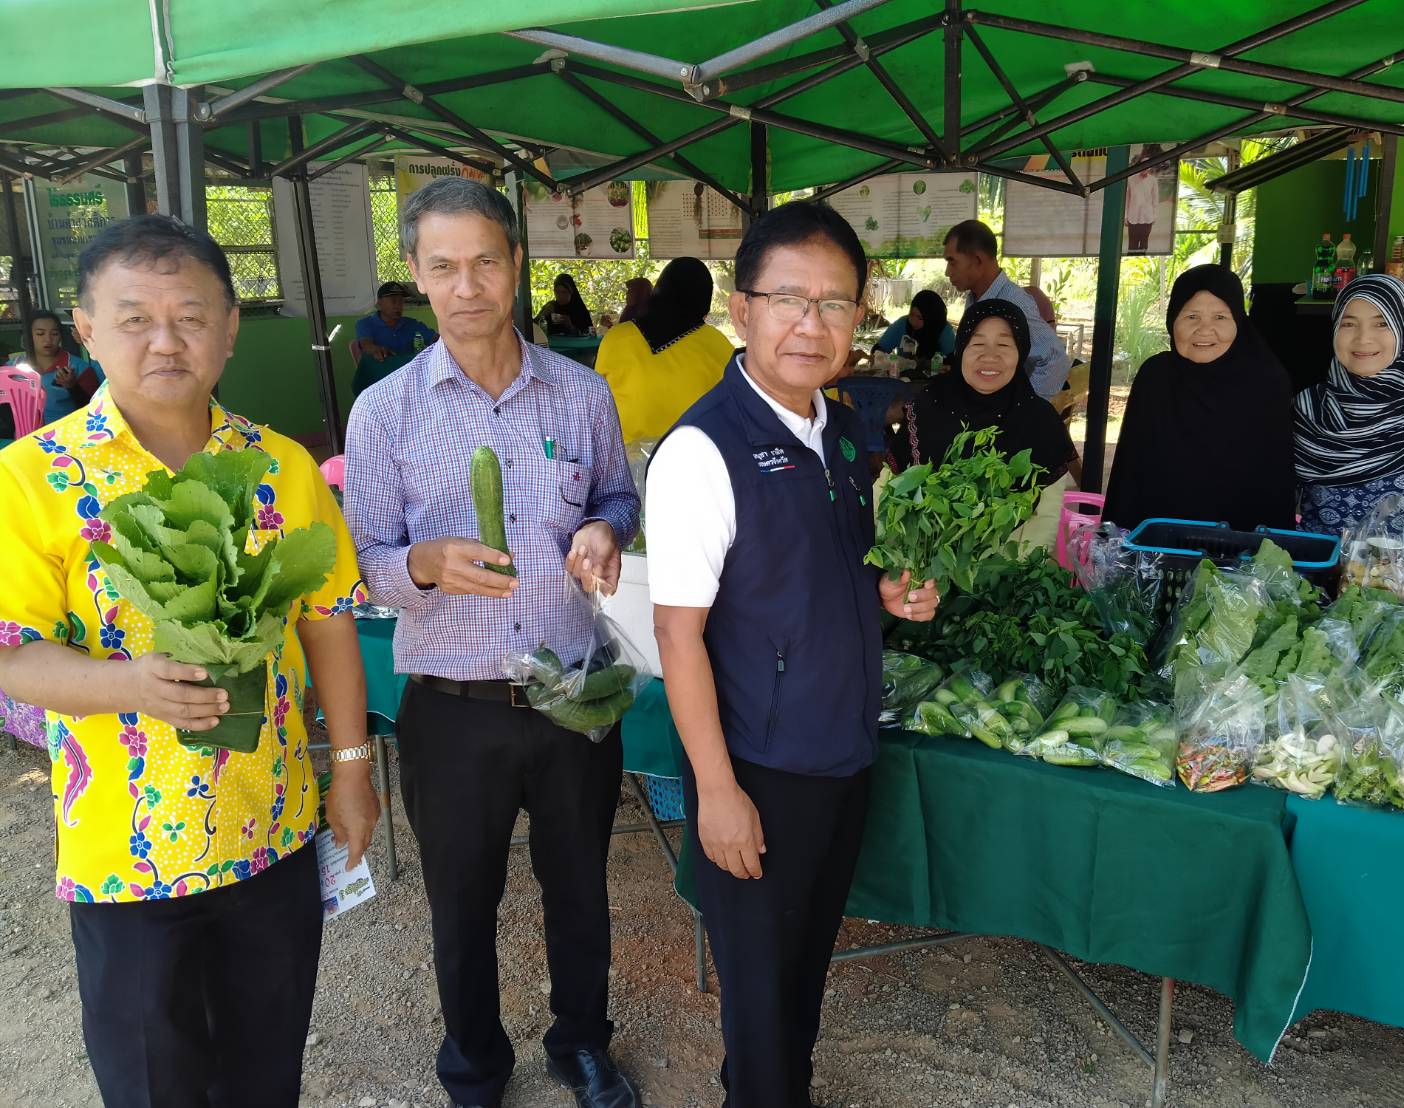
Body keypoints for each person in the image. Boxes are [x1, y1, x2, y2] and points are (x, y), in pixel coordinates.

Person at [0, 214, 379, 1108]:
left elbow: (327, 624)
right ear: (86, 329)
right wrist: (125, 686)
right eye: (134, 318)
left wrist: (353, 770)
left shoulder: (280, 467)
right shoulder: (32, 477)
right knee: (151, 1079)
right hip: (124, 854)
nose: (166, 341)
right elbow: (10, 653)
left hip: (273, 832)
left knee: (265, 1065)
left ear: (231, 326)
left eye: (192, 316)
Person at [344, 177, 642, 1108]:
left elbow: (618, 498)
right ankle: (473, 1061)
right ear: (418, 276)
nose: (466, 284)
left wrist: (605, 529)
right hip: (453, 705)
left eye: (484, 261)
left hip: (571, 693)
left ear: (515, 265)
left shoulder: (581, 394)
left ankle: (580, 1042)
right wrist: (424, 563)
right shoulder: (384, 411)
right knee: (461, 905)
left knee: (580, 891)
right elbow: (363, 565)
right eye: (444, 267)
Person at [646, 201, 940, 1108]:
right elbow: (676, 634)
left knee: (801, 970)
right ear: (741, 310)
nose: (812, 324)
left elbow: (830, 574)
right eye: (788, 300)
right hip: (759, 768)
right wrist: (719, 791)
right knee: (763, 995)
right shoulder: (703, 449)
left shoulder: (845, 431)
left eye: (837, 303)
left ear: (860, 316)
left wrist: (888, 596)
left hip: (841, 750)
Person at [1104, 264, 1295, 532]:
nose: (1205, 329)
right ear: (1173, 320)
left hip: (1242, 550)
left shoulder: (1266, 382)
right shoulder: (1156, 377)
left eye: (1220, 317)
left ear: (1238, 321)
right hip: (1158, 543)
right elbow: (1129, 476)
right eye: (1191, 316)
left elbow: (1275, 485)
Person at [1294, 273, 1404, 535]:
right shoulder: (1307, 407)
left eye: (1382, 324)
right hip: (1315, 568)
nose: (1363, 338)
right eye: (1348, 324)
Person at [887, 298, 1080, 490]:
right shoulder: (925, 409)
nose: (989, 356)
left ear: (1020, 353)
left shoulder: (1040, 420)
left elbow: (1047, 510)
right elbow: (890, 486)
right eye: (978, 344)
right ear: (961, 349)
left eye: (1003, 345)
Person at [594, 256, 732, 444]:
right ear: (704, 300)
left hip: (625, 463)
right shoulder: (719, 345)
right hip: (698, 459)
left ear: (658, 291)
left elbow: (596, 402)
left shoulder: (617, 338)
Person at [943, 220, 1070, 398]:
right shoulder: (976, 299)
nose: (947, 272)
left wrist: (1024, 409)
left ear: (978, 260)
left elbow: (1056, 360)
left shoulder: (1012, 303)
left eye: (952, 262)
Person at [7, 309, 104, 425]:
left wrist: (73, 387)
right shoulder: (12, 368)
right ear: (28, 336)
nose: (48, 340)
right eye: (40, 334)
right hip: (25, 439)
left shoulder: (79, 368)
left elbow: (96, 410)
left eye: (54, 334)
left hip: (65, 437)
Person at [870, 289, 955, 379]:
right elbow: (878, 350)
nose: (913, 321)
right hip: (904, 379)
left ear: (932, 319)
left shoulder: (944, 330)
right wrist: (884, 361)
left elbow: (952, 361)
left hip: (935, 381)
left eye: (920, 318)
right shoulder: (902, 324)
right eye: (911, 314)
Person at [355, 280, 439, 361]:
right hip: (380, 371)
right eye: (393, 301)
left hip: (408, 372)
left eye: (401, 301)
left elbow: (435, 338)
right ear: (379, 302)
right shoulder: (365, 324)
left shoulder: (412, 324)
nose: (398, 306)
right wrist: (376, 350)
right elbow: (366, 345)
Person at [1125, 146, 1163, 254]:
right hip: (1133, 217)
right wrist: (1125, 216)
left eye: (1148, 166)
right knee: (1132, 245)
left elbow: (1155, 200)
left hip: (1147, 217)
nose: (1145, 168)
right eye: (1143, 165)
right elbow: (1127, 199)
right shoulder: (1131, 180)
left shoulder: (1153, 181)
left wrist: (1154, 216)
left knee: (1144, 244)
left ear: (1150, 167)